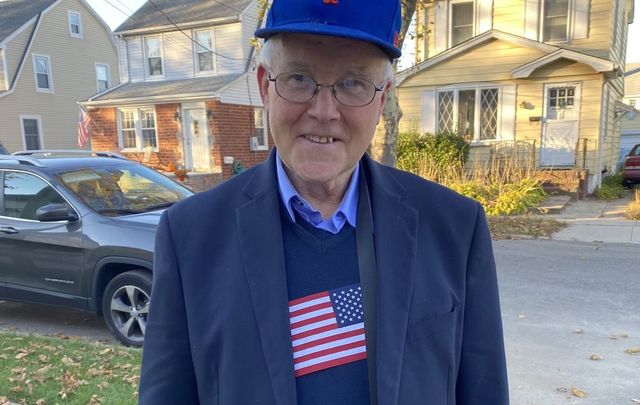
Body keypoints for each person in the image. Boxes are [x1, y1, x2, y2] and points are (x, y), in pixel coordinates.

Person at [139, 0, 509, 403]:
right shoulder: (191, 236)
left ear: (381, 99)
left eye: (353, 83)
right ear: (265, 86)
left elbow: (484, 391)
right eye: (299, 78)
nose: (324, 111)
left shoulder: (455, 227)